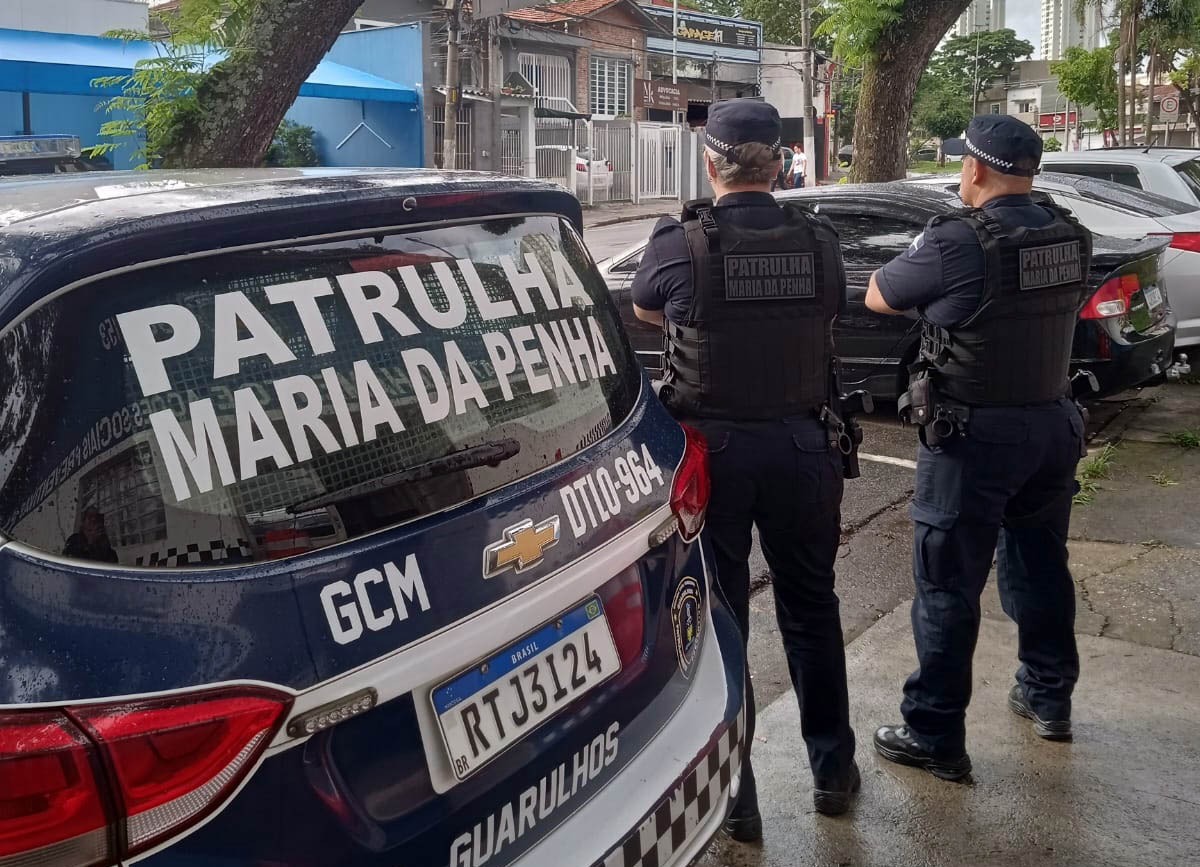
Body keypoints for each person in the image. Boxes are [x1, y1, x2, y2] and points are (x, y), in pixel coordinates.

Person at [631, 99, 860, 837]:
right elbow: (831, 310)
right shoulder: (820, 241)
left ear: (711, 163)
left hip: (716, 458)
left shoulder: (681, 243)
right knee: (812, 607)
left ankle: (739, 796)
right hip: (805, 447)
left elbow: (648, 309)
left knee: (722, 618)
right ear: (782, 164)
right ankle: (833, 771)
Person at [865, 115, 1093, 781]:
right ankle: (1049, 697)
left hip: (974, 437)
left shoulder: (959, 241)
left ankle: (934, 733)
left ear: (974, 168)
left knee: (946, 585)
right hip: (1052, 423)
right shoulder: (1069, 231)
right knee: (1041, 563)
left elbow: (879, 295)